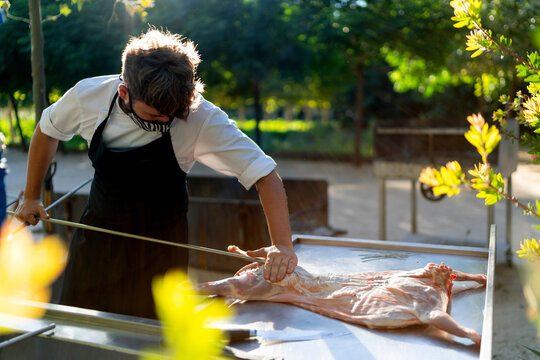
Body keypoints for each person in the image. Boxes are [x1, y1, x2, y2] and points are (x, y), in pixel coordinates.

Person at [13, 28, 298, 319]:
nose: (165, 120)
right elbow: (48, 131)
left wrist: (282, 245)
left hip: (161, 252)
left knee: (148, 340)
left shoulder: (201, 117)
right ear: (124, 91)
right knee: (80, 331)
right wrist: (32, 195)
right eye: (153, 116)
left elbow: (265, 174)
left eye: (173, 115)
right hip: (97, 242)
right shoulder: (89, 96)